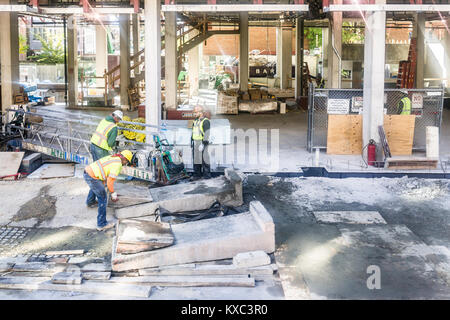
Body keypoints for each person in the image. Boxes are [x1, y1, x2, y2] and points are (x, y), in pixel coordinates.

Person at [84, 150, 133, 231]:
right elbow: (109, 182)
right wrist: (113, 193)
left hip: (88, 172)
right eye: (127, 161)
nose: (125, 163)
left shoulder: (112, 157)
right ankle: (101, 224)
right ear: (124, 159)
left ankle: (90, 202)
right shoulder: (118, 165)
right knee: (103, 198)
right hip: (92, 176)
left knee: (95, 187)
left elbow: (103, 171)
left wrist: (102, 183)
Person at [191, 105, 211, 179]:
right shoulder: (195, 121)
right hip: (196, 143)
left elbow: (207, 134)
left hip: (202, 143)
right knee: (196, 161)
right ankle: (197, 175)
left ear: (201, 112)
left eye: (196, 112)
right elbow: (193, 132)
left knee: (204, 161)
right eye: (194, 112)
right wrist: (191, 142)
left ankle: (207, 176)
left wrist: (203, 144)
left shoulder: (205, 121)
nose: (194, 114)